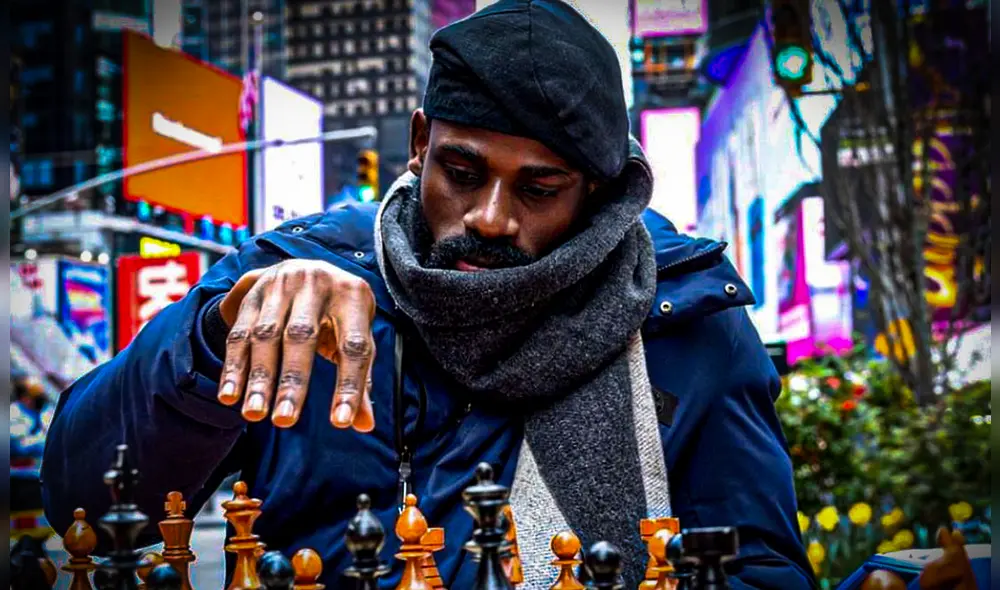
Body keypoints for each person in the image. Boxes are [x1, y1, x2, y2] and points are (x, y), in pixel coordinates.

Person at [42, 1, 814, 587]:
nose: (489, 218)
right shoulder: (293, 273)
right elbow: (83, 502)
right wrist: (212, 337)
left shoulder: (685, 321)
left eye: (539, 189)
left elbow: (759, 568)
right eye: (463, 173)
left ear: (600, 194)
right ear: (420, 144)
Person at [12, 374, 55, 541]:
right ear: (25, 397)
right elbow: (19, 446)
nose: (40, 399)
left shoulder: (46, 412)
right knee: (23, 532)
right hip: (20, 484)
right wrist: (42, 439)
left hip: (43, 482)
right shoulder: (13, 415)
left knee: (43, 529)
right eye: (35, 396)